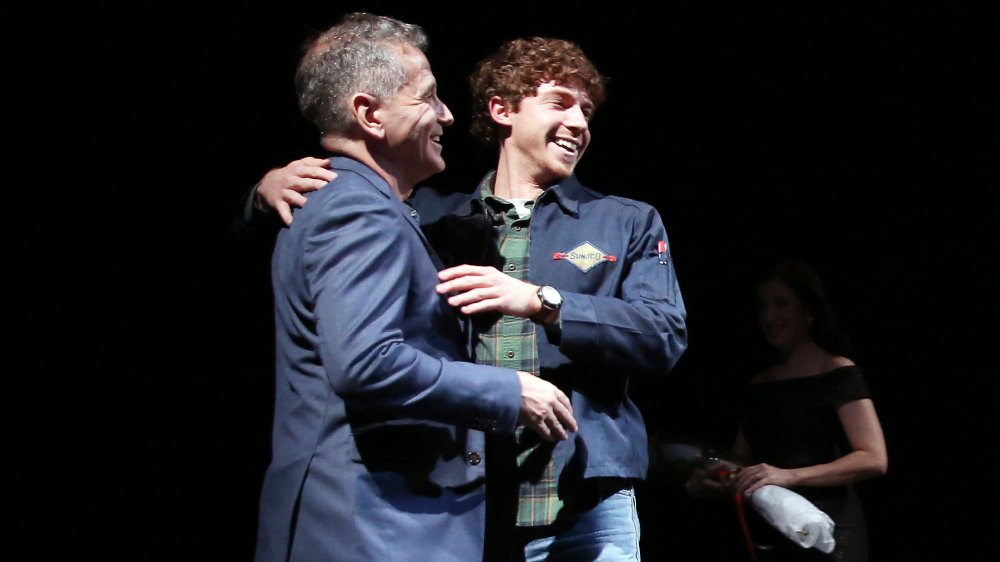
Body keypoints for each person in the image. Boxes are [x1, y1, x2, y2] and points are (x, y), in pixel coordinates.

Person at [242, 36, 688, 561]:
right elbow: (315, 263)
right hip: (472, 494)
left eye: (587, 110)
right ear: (502, 109)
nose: (579, 123)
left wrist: (542, 301)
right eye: (560, 103)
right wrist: (261, 195)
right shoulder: (427, 217)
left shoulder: (625, 219)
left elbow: (664, 336)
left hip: (583, 500)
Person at [686, 258, 888, 561]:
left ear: (809, 311)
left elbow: (873, 458)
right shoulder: (759, 384)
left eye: (781, 304)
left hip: (831, 533)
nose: (769, 316)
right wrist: (715, 481)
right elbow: (744, 463)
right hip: (772, 532)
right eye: (762, 306)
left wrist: (790, 476)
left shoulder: (838, 372)